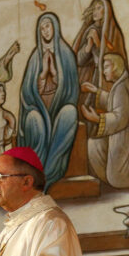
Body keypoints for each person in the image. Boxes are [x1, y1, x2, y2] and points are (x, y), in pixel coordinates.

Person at [18, 12, 79, 189]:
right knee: (34, 119)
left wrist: (55, 73)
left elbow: (72, 88)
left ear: (55, 27)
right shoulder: (35, 57)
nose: (45, 31)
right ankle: (35, 171)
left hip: (59, 108)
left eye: (48, 26)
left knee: (70, 112)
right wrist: (44, 74)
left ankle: (47, 172)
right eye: (42, 28)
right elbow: (27, 92)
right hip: (39, 108)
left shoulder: (66, 54)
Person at [81, 53, 129, 190]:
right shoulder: (120, 84)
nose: (104, 71)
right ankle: (108, 179)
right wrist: (96, 92)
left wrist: (97, 119)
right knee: (93, 146)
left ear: (116, 67)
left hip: (121, 136)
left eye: (107, 67)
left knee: (117, 177)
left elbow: (120, 118)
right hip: (114, 133)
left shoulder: (122, 86)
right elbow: (114, 102)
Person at [73, 0, 128, 136]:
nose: (95, 12)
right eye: (94, 9)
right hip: (93, 75)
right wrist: (88, 46)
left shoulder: (113, 32)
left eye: (99, 8)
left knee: (106, 108)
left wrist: (97, 42)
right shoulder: (90, 30)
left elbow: (113, 59)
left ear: (106, 10)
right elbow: (79, 60)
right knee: (86, 109)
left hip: (108, 77)